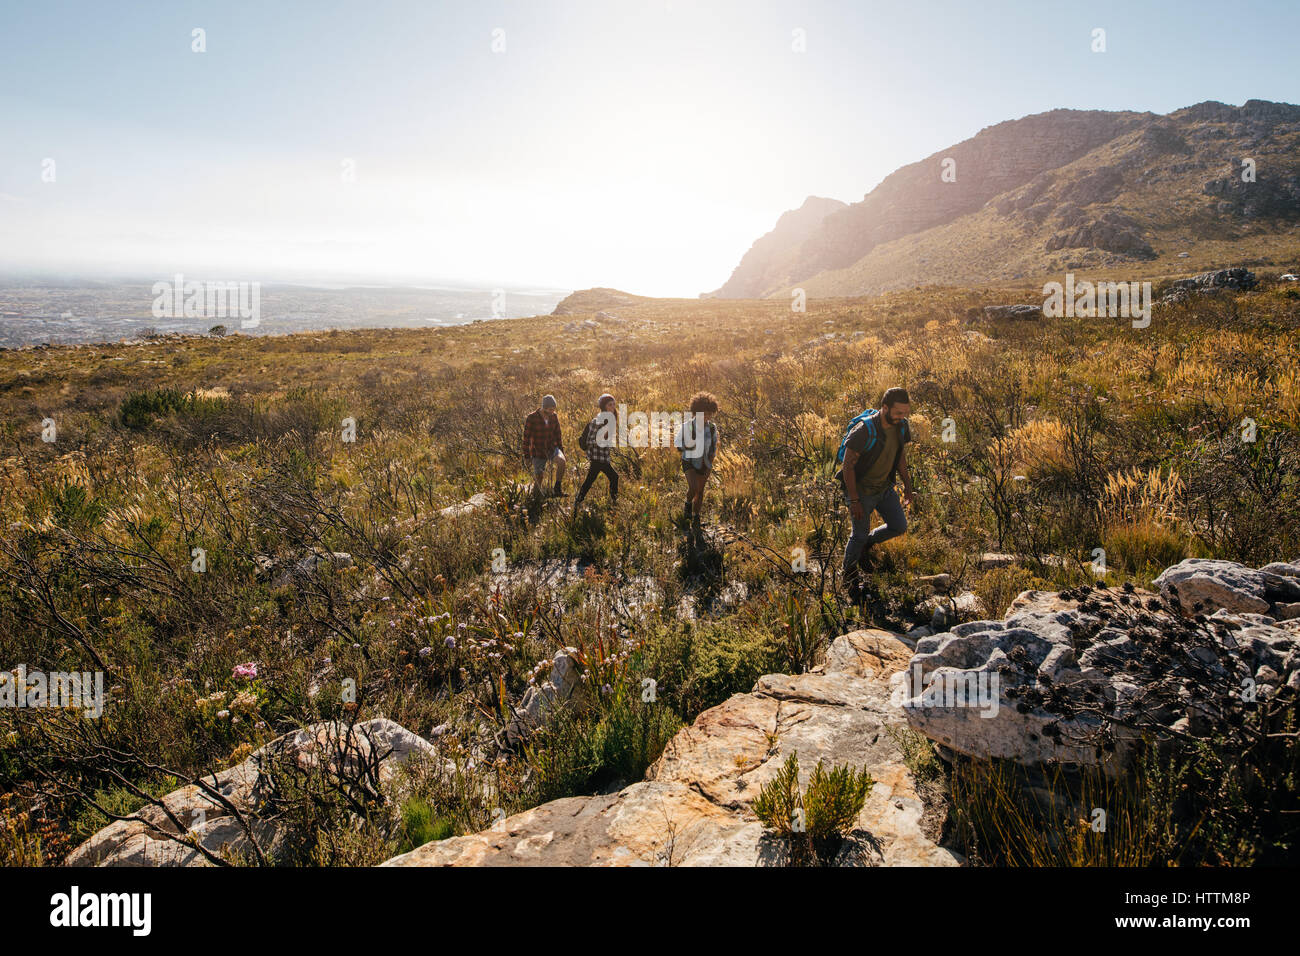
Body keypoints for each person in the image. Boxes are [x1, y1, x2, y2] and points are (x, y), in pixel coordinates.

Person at [837, 386, 915, 601]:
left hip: (885, 488)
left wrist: (907, 485)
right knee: (858, 535)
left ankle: (867, 545)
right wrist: (854, 500)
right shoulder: (863, 430)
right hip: (861, 491)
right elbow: (848, 466)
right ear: (885, 408)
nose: (902, 418)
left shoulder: (901, 427)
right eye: (898, 413)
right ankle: (849, 577)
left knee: (899, 526)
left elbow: (900, 457)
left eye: (905, 413)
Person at [677, 391, 719, 532]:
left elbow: (713, 449)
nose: (707, 417)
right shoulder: (687, 426)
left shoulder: (712, 429)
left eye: (709, 414)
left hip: (704, 462)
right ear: (696, 412)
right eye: (704, 414)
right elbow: (678, 445)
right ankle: (687, 504)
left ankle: (696, 517)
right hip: (689, 461)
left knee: (700, 491)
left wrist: (708, 466)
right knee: (693, 488)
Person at [574, 393, 620, 507]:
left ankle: (578, 501)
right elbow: (590, 441)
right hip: (597, 457)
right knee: (614, 477)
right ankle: (614, 503)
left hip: (602, 456)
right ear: (603, 406)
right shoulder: (598, 420)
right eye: (610, 405)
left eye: (614, 404)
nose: (612, 407)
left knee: (590, 480)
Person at [523, 394, 566, 497]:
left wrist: (561, 450)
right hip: (538, 451)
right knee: (539, 477)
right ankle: (536, 496)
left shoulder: (554, 417)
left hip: (552, 448)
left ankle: (557, 489)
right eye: (550, 409)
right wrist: (527, 456)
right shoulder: (532, 417)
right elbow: (526, 438)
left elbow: (558, 434)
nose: (552, 412)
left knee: (562, 462)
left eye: (553, 409)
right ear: (544, 408)